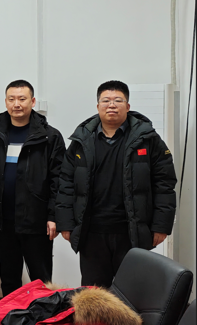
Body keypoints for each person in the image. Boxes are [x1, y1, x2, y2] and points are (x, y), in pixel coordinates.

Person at [56, 80, 177, 287]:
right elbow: (66, 183)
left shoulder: (148, 140)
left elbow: (164, 184)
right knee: (95, 294)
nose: (111, 105)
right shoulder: (81, 141)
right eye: (106, 100)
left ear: (128, 106)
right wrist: (65, 223)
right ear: (98, 106)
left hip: (131, 232)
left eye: (118, 100)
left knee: (132, 291)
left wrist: (161, 225)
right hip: (91, 232)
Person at [0, 80, 66, 298]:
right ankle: (11, 318)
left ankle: (43, 318)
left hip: (36, 221)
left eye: (22, 99)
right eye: (11, 99)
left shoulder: (50, 137)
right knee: (9, 279)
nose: (16, 104)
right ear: (5, 102)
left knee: (41, 280)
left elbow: (58, 181)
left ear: (33, 101)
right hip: (3, 222)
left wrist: (53, 216)